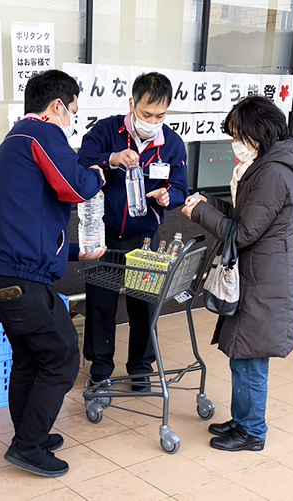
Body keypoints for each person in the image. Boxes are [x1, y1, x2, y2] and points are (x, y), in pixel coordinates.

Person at [0, 70, 106, 477]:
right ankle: (27, 445)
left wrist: (74, 252)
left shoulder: (9, 146)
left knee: (30, 360)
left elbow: (26, 224)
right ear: (57, 107)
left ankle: (30, 433)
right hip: (23, 282)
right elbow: (75, 186)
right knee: (63, 356)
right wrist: (100, 174)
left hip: (1, 278)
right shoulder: (41, 135)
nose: (72, 120)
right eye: (73, 111)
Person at [182, 95, 293, 452]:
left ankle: (252, 431)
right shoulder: (266, 164)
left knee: (251, 359)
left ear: (260, 132)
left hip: (264, 278)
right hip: (258, 274)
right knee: (242, 353)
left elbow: (244, 233)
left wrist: (201, 214)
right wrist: (208, 205)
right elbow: (246, 215)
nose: (234, 143)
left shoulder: (273, 172)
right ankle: (243, 420)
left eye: (239, 135)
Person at [78, 72, 188, 391]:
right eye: (146, 114)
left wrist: (170, 196)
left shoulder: (171, 144)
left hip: (144, 237)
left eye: (160, 115)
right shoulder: (106, 131)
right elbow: (81, 163)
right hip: (105, 233)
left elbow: (181, 186)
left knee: (144, 302)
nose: (153, 121)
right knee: (101, 302)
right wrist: (111, 159)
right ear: (132, 104)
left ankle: (140, 367)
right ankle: (100, 367)